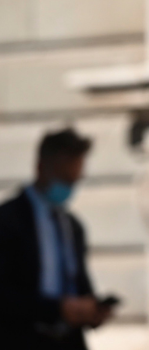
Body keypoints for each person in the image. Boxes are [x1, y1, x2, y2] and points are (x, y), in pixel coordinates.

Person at [0, 128, 113, 349]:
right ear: (41, 168)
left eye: (73, 181)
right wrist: (56, 309)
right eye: (63, 179)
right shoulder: (8, 220)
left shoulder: (72, 226)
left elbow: (79, 284)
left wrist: (92, 310)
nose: (68, 188)